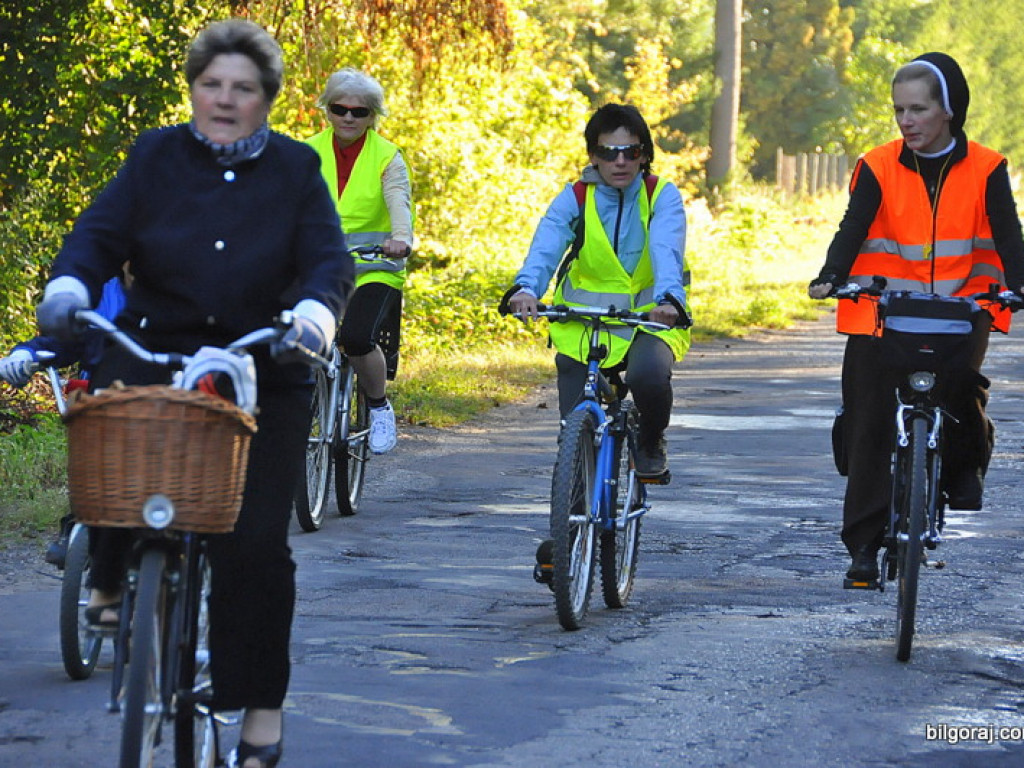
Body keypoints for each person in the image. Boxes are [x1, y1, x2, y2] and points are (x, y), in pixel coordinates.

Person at [34, 19, 352, 768]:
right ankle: (109, 572)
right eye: (212, 84)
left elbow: (327, 260)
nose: (225, 98)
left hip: (260, 366)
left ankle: (260, 714)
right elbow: (98, 232)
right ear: (194, 88)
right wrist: (71, 281)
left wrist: (314, 313)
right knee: (111, 435)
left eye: (243, 88)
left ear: (265, 99)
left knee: (255, 550)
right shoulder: (156, 155)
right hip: (155, 347)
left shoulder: (297, 170)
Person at [808, 52, 1024, 583]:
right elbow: (853, 226)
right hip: (883, 312)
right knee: (869, 422)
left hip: (960, 309)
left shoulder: (987, 168)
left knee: (961, 389)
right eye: (899, 110)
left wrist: (1019, 285)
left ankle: (963, 468)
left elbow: (1007, 233)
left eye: (918, 110)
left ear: (947, 111)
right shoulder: (878, 165)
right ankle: (862, 547)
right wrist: (830, 274)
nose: (906, 122)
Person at [505, 102, 691, 479]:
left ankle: (651, 439)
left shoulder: (660, 195)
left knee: (648, 377)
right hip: (583, 319)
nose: (620, 161)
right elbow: (547, 243)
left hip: (649, 317)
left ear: (644, 155)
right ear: (593, 155)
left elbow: (666, 248)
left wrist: (670, 299)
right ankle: (573, 511)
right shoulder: (575, 196)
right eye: (609, 152)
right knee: (572, 426)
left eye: (631, 152)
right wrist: (525, 288)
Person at [305, 67, 413, 455]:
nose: (349, 117)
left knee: (355, 337)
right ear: (327, 110)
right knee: (295, 334)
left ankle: (378, 406)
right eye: (340, 109)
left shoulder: (387, 157)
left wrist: (400, 239)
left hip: (374, 267)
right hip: (319, 267)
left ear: (373, 116)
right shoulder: (306, 152)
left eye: (360, 112)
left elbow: (398, 201)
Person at [0, 276, 125, 567]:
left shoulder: (180, 280)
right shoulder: (101, 290)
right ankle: (82, 523)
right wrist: (25, 352)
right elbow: (65, 342)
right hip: (103, 402)